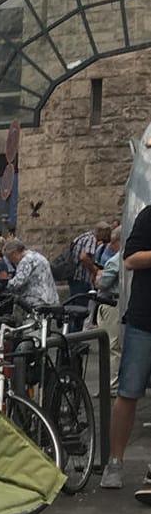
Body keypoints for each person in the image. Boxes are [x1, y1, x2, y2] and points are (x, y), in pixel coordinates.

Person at [102, 206, 151, 499]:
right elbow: (130, 258)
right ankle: (115, 462)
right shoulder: (148, 217)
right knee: (128, 392)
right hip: (144, 321)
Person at [95, 226, 124, 396]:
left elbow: (102, 284)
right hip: (118, 303)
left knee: (111, 345)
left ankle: (111, 385)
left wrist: (99, 276)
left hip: (110, 303)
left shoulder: (116, 259)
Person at [69, 221, 113, 332]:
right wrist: (95, 270)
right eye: (107, 233)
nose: (108, 236)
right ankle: (75, 339)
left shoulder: (83, 236)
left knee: (73, 310)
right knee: (80, 310)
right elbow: (84, 257)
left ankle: (71, 336)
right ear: (101, 232)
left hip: (74, 278)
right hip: (81, 279)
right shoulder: (91, 239)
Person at [2, 238, 60, 311]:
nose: (11, 261)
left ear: (14, 253)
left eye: (10, 258)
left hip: (37, 300)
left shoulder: (25, 261)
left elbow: (18, 282)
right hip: (49, 297)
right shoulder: (36, 255)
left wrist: (5, 285)